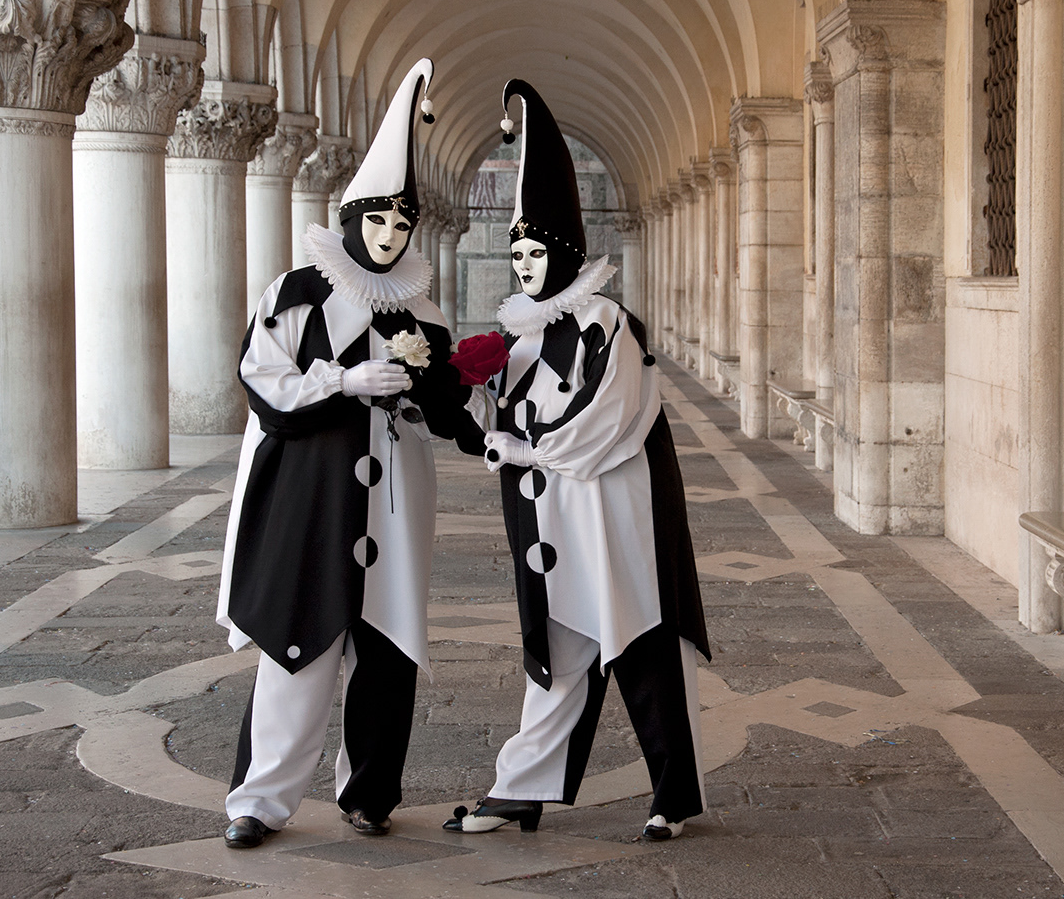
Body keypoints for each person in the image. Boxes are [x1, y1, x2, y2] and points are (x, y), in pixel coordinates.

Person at [216, 58, 481, 849]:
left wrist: (458, 397)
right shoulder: (297, 293)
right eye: (379, 223)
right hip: (313, 493)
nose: (390, 238)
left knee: (388, 642)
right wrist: (342, 380)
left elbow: (446, 408)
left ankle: (370, 793)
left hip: (396, 500)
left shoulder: (424, 310)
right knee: (297, 637)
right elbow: (261, 379)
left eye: (403, 227)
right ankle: (260, 801)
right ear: (353, 217)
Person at [444, 79, 710, 842]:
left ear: (564, 252)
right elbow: (497, 419)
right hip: (554, 525)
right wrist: (462, 392)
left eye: (537, 252)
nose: (525, 266)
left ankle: (674, 796)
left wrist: (523, 447)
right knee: (560, 652)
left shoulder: (607, 322)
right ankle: (519, 790)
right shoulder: (521, 335)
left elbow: (605, 417)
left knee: (644, 643)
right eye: (516, 254)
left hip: (616, 518)